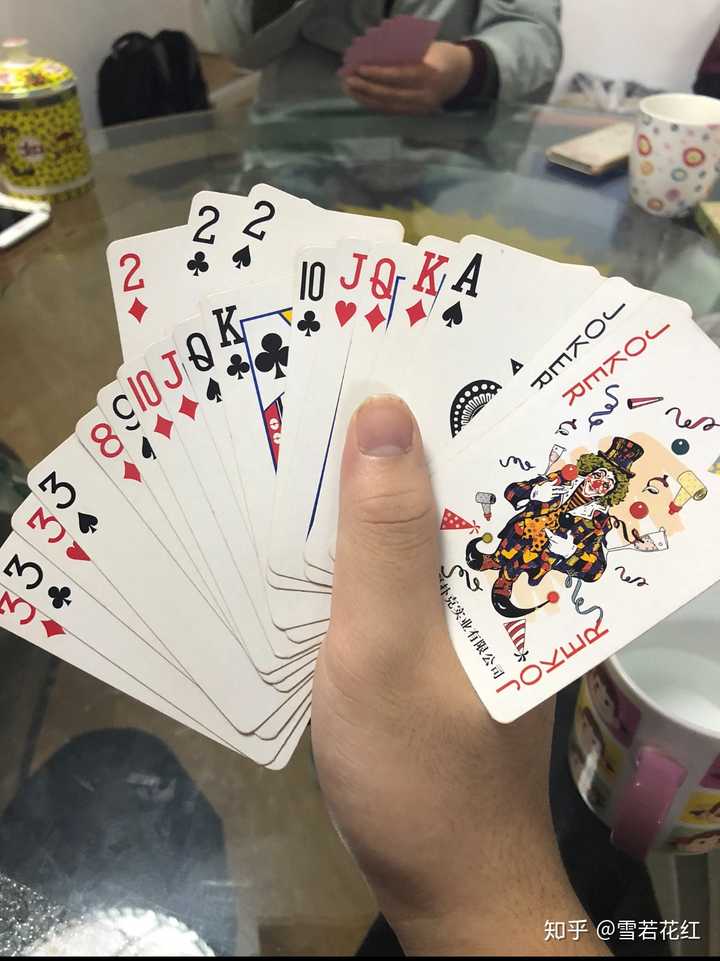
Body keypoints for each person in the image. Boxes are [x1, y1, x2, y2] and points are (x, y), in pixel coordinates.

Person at [312, 394, 608, 955]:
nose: (593, 488)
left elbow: (585, 562)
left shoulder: (588, 522)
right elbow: (521, 495)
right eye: (593, 480)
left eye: (601, 489)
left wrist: (466, 893)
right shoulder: (559, 485)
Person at [206, 1, 562, 112]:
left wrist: (466, 66)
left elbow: (534, 31)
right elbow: (238, 46)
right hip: (300, 148)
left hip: (450, 159)